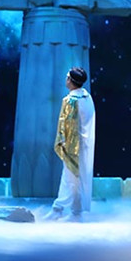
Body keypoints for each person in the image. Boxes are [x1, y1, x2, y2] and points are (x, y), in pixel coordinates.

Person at [45, 66, 96, 221]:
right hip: (85, 145)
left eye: (67, 77)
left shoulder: (71, 101)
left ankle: (72, 212)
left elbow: (66, 126)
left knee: (72, 180)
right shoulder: (87, 97)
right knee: (70, 179)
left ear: (71, 81)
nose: (66, 80)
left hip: (74, 146)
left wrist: (63, 145)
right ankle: (61, 209)